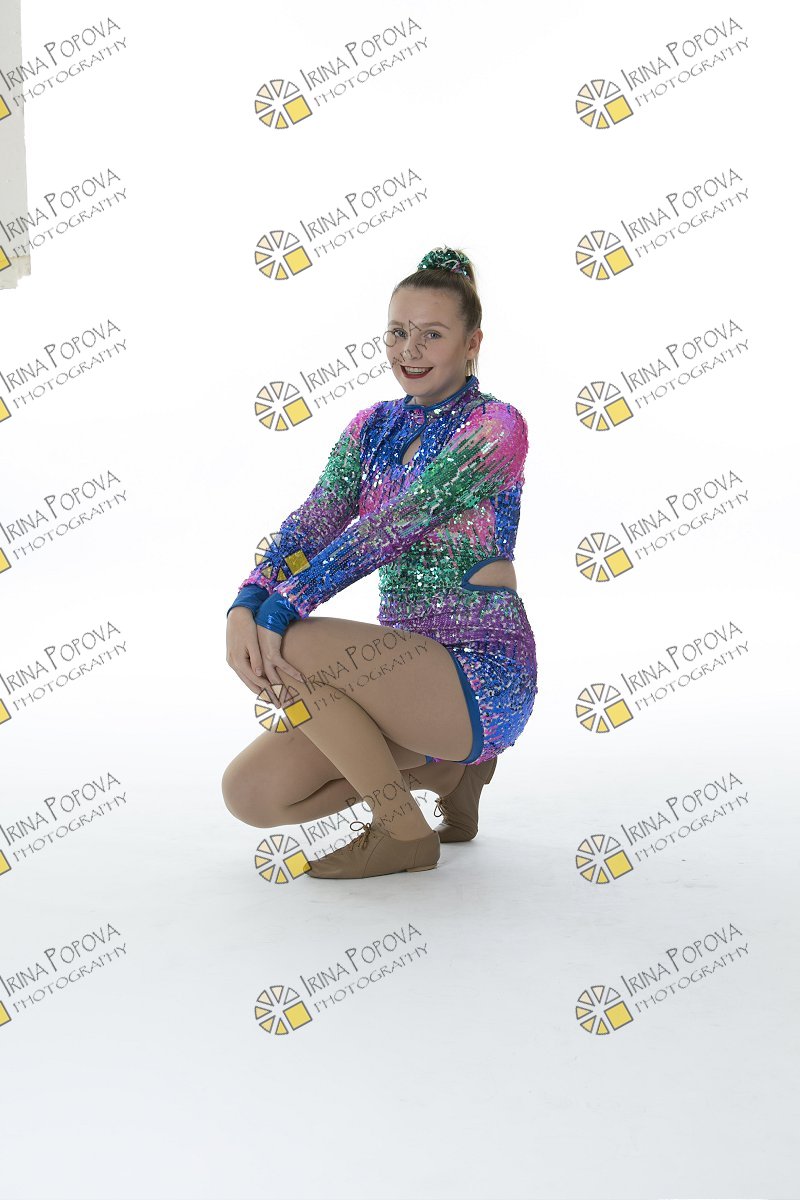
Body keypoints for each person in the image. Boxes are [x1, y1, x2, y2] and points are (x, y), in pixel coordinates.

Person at [221, 246, 539, 879]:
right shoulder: (370, 428)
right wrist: (247, 599)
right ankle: (445, 775)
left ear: (472, 343)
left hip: (481, 673)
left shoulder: (497, 426)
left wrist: (283, 608)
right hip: (401, 678)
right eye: (397, 332)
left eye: (432, 334)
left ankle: (403, 832)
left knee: (296, 642)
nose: (409, 350)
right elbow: (313, 523)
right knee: (252, 794)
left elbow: (392, 527)